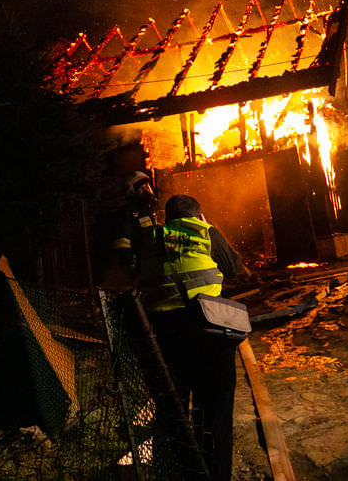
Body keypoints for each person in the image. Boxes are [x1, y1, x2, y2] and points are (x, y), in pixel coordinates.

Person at [139, 194, 244, 481]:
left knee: (172, 409)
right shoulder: (205, 231)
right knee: (217, 409)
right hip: (209, 328)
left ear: (167, 217)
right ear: (198, 214)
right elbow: (234, 267)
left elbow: (139, 274)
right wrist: (207, 228)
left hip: (165, 334)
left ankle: (178, 471)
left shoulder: (151, 237)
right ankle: (214, 473)